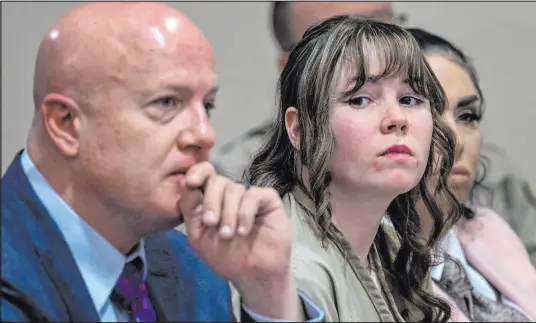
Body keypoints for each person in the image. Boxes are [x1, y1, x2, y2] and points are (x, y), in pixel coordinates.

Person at [0, 2, 325, 322]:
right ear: (66, 123)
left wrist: (268, 291)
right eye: (167, 102)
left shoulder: (197, 268)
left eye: (207, 106)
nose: (204, 134)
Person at [246, 15, 461, 321]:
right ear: (299, 130)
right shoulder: (289, 266)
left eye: (410, 99)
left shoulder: (392, 244)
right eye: (360, 100)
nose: (396, 118)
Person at [408, 27, 536, 321]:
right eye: (429, 112)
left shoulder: (489, 231)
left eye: (467, 116)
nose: (456, 140)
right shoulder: (365, 263)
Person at [214, 1, 406, 180]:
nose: (379, 51)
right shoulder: (239, 179)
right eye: (338, 40)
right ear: (292, 69)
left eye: (385, 26)